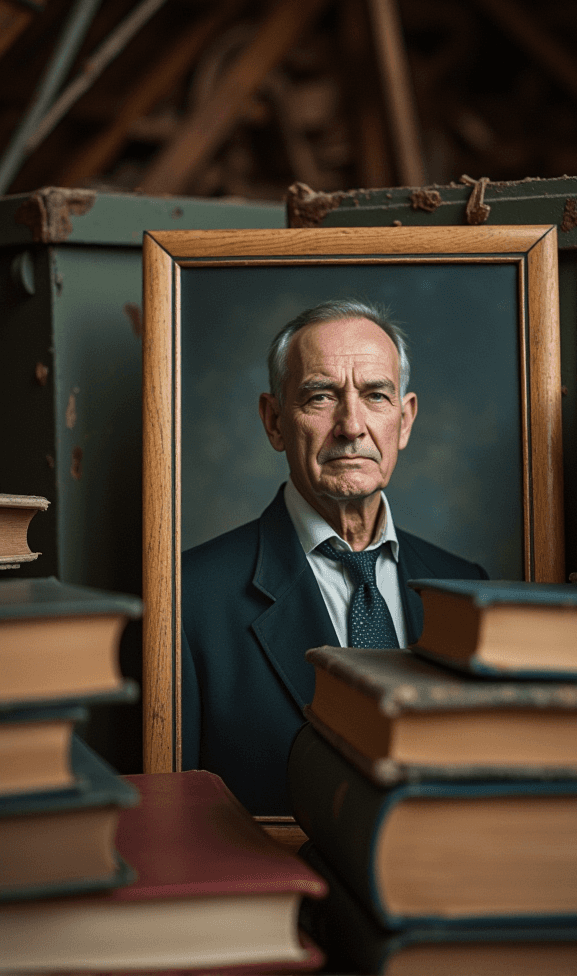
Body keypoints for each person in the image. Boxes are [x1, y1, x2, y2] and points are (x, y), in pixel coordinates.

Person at [181, 300, 488, 815]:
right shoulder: (190, 599)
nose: (351, 426)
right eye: (321, 397)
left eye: (375, 395)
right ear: (274, 422)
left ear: (404, 420)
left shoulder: (465, 587)